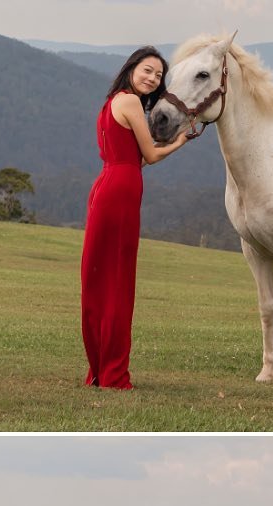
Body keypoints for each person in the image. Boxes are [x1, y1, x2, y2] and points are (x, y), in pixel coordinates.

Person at [81, 48, 190, 389]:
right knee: (117, 282)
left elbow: (130, 158)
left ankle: (100, 369)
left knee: (99, 280)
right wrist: (182, 141)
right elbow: (151, 155)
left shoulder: (111, 101)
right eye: (148, 70)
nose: (153, 79)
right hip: (121, 191)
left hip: (108, 184)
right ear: (132, 68)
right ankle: (113, 374)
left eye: (158, 76)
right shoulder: (129, 102)